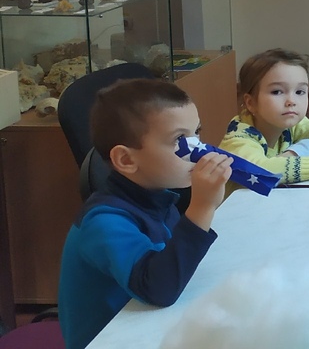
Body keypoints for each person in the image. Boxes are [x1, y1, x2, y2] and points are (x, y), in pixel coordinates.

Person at [58, 79, 234, 349]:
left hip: (154, 327)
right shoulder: (104, 223)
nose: (198, 151)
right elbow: (158, 289)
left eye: (197, 133)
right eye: (180, 140)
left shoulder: (157, 197)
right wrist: (202, 207)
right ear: (126, 160)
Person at [221, 49, 309, 186]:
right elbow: (261, 172)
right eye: (277, 92)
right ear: (251, 103)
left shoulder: (290, 125)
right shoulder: (238, 139)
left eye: (300, 92)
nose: (291, 101)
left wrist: (298, 152)